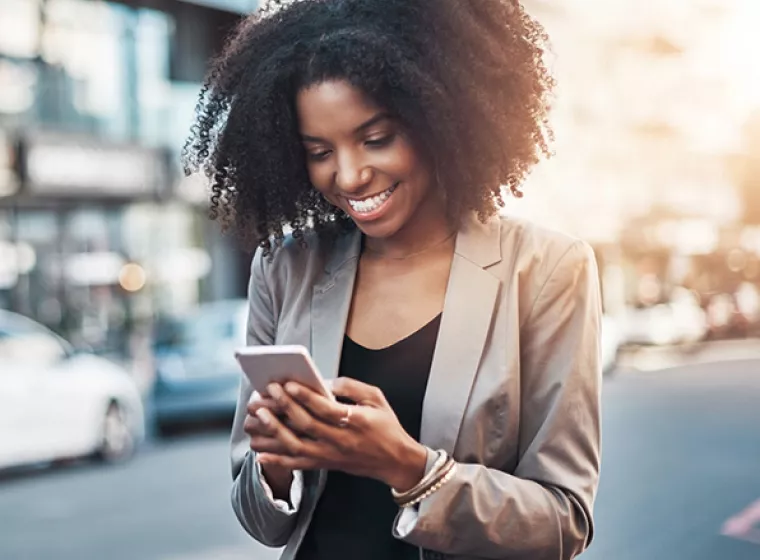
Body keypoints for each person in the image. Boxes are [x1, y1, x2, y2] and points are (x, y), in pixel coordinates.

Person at [183, 0, 602, 558]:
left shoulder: (545, 269)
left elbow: (563, 524)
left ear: (438, 117)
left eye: (376, 138)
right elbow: (265, 523)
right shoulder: (285, 269)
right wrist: (276, 465)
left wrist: (407, 466)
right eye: (319, 151)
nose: (350, 175)